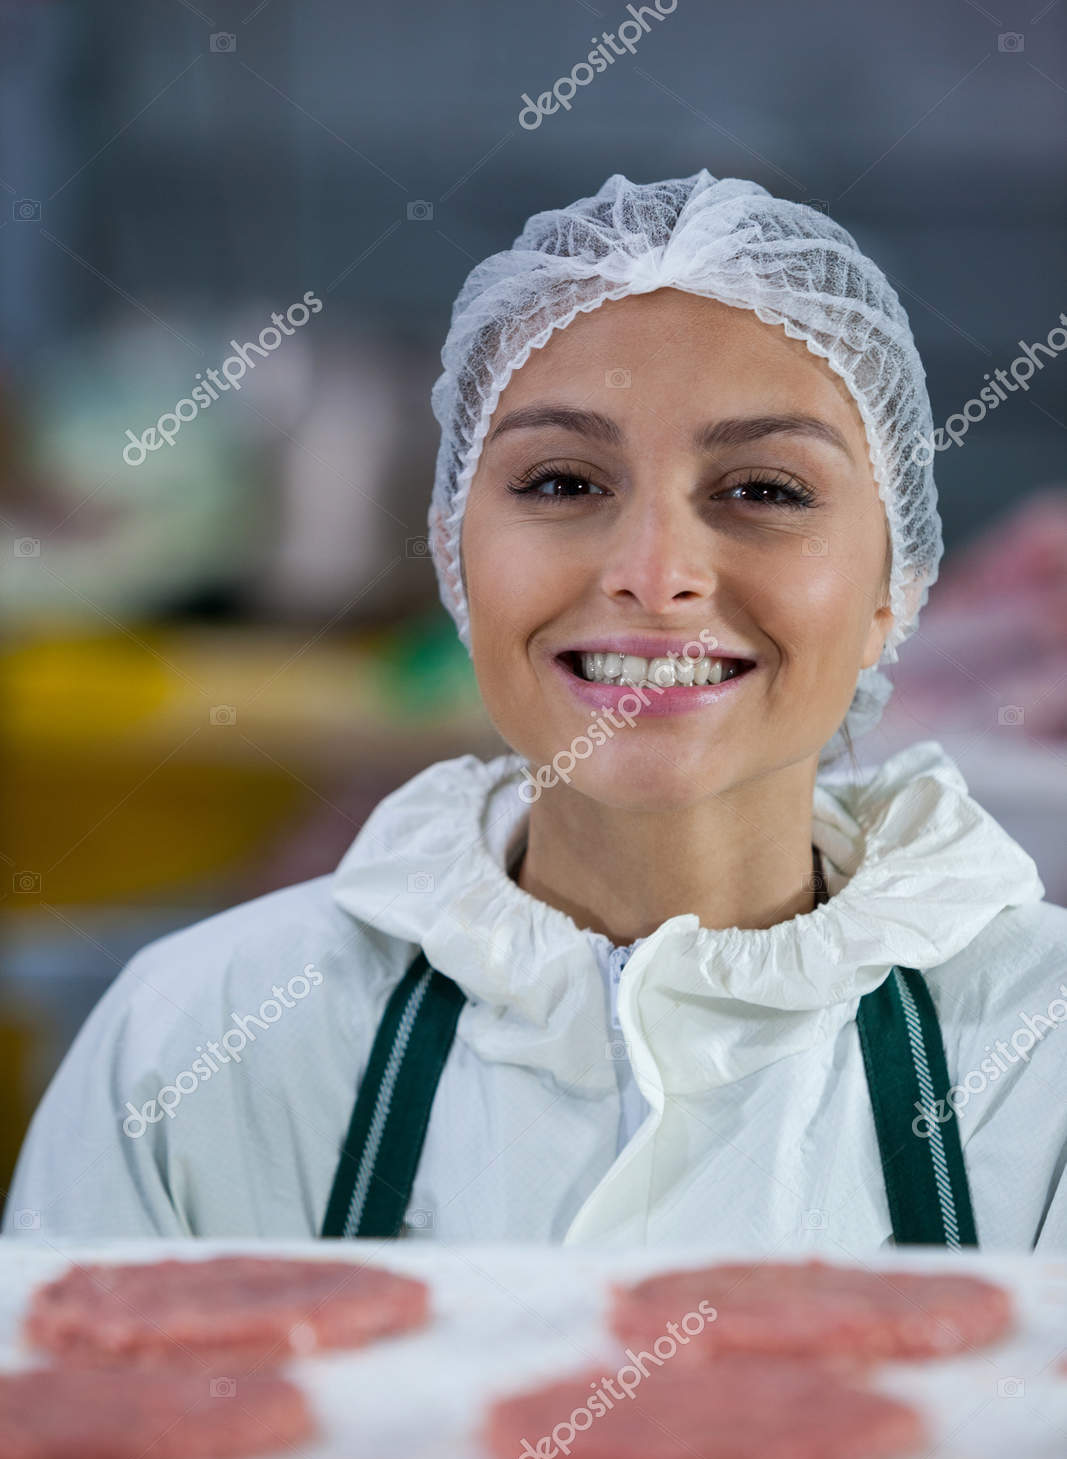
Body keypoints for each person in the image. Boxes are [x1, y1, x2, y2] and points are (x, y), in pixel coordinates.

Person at [5, 170, 1066, 1252]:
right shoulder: (191, 1039)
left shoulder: (1043, 1053)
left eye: (764, 489)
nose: (653, 573)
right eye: (561, 482)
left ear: (894, 583)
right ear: (454, 554)